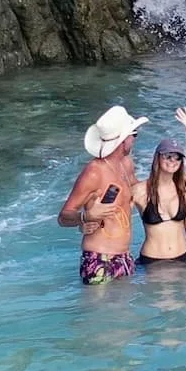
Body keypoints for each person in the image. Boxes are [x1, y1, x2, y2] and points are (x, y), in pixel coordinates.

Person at [59, 104, 146, 285]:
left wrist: (171, 179)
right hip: (98, 258)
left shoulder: (126, 164)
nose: (135, 139)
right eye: (134, 134)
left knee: (123, 312)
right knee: (97, 313)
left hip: (125, 256)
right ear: (123, 140)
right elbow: (63, 216)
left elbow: (140, 192)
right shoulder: (94, 172)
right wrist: (85, 217)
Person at [135, 108, 186, 263]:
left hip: (182, 258)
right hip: (152, 262)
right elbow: (118, 217)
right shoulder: (140, 190)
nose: (173, 161)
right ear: (157, 158)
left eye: (178, 158)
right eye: (168, 156)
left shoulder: (183, 188)